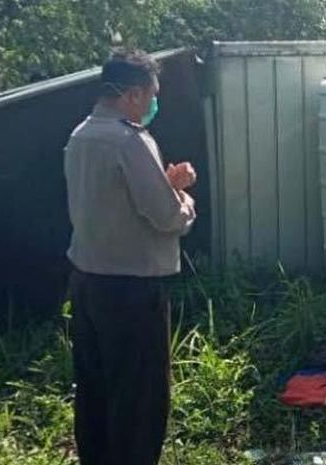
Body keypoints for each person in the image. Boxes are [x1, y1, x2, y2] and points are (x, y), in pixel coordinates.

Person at [64, 49, 196, 465]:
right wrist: (182, 195)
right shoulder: (130, 139)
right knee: (139, 403)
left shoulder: (81, 135)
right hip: (131, 292)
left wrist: (164, 183)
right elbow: (168, 217)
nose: (155, 103)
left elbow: (115, 203)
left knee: (96, 394)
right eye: (153, 94)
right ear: (135, 95)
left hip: (87, 285)